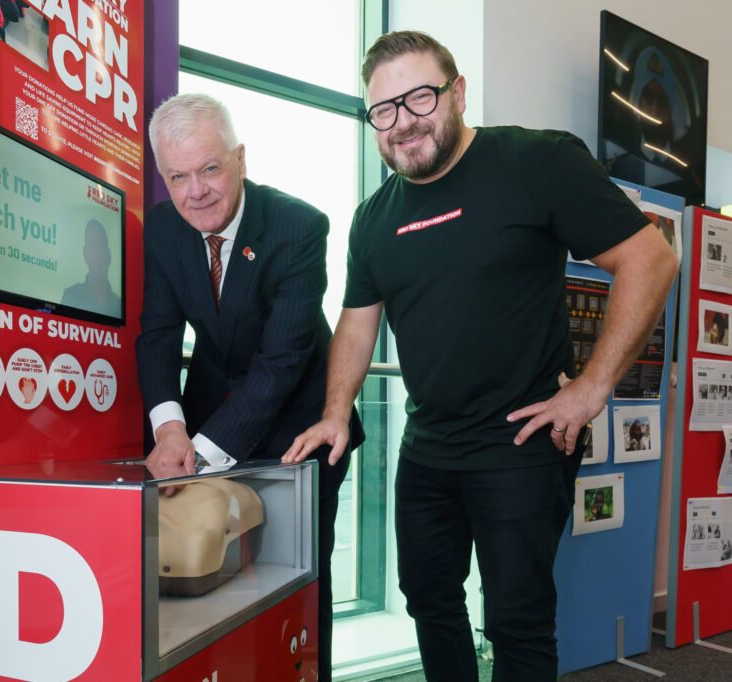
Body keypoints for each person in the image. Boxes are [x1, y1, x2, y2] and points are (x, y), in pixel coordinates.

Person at [283, 31, 677, 682]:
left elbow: (650, 259)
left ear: (457, 92)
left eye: (419, 98)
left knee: (516, 622)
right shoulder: (374, 218)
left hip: (520, 441)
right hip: (429, 445)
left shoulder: (536, 161)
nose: (402, 122)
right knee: (429, 602)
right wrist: (334, 412)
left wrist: (592, 385)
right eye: (383, 109)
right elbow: (356, 325)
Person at [136, 93, 363, 682]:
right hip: (208, 415)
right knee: (214, 582)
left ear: (240, 159)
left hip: (299, 425)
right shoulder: (162, 228)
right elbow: (158, 336)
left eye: (210, 169)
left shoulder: (298, 226)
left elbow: (281, 361)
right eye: (178, 176)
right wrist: (169, 429)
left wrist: (199, 456)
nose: (196, 192)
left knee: (295, 579)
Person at [61, 218, 121, 318]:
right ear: (85, 254)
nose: (97, 254)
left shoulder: (118, 304)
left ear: (109, 255)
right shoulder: (71, 296)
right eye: (92, 246)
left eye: (101, 246)